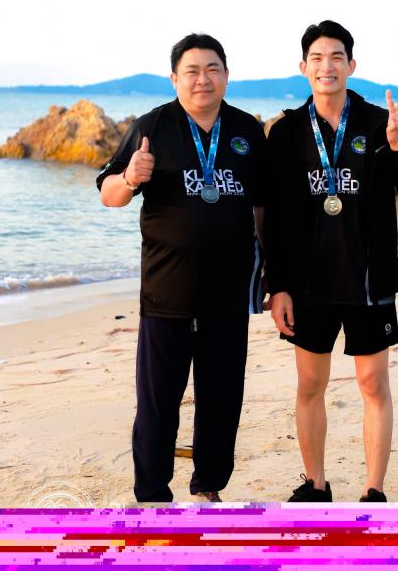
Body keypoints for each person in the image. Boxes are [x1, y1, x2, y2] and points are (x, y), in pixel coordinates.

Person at [264, 20, 398, 503]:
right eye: (317, 58)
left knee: (372, 382)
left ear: (352, 65)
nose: (327, 66)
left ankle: (374, 490)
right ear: (303, 67)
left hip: (368, 279)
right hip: (307, 284)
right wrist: (278, 285)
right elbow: (273, 218)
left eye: (336, 57)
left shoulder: (381, 124)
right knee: (310, 384)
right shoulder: (286, 132)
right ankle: (316, 484)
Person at [96, 33, 265, 503]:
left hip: (228, 295)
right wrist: (130, 177)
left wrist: (272, 276)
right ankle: (153, 495)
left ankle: (208, 487)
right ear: (174, 78)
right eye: (191, 71)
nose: (202, 79)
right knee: (157, 404)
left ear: (226, 75)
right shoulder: (152, 126)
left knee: (222, 399)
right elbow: (108, 194)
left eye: (212, 69)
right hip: (166, 295)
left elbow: (263, 206)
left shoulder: (247, 130)